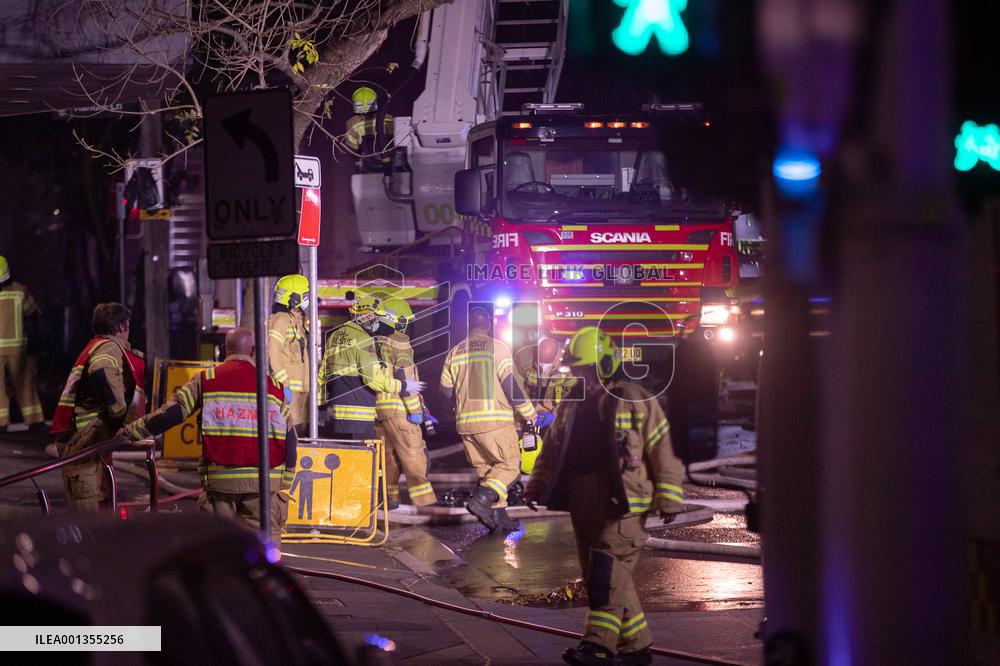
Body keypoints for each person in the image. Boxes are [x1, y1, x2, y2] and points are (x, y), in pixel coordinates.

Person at [524, 326, 684, 666]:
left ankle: (597, 647)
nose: (583, 378)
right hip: (582, 500)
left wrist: (669, 497)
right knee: (606, 576)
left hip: (623, 504)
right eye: (577, 371)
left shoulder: (634, 398)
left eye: (588, 370)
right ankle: (636, 645)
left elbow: (662, 448)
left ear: (606, 365)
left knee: (605, 576)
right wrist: (536, 484)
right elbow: (553, 446)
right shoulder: (573, 401)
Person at [122, 328, 296, 542]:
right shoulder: (274, 387)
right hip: (264, 485)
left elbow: (172, 414)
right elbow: (290, 439)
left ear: (224, 349)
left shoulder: (206, 380)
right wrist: (284, 482)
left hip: (221, 484)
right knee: (262, 550)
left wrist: (131, 432)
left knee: (216, 547)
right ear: (253, 350)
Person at [440, 307, 541, 532]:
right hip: (495, 422)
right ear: (488, 324)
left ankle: (499, 517)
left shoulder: (454, 352)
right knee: (509, 467)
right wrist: (529, 413)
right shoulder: (498, 347)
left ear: (469, 325)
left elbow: (445, 391)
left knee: (487, 471)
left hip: (466, 424)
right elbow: (510, 385)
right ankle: (482, 500)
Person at [51, 303, 146, 511]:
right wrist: (119, 411)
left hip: (89, 438)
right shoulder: (109, 347)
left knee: (101, 497)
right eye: (128, 327)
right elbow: (101, 370)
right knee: (86, 505)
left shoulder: (96, 345)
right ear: (121, 327)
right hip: (84, 440)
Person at [321, 294, 424, 440]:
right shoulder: (364, 340)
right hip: (361, 415)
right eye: (377, 317)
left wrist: (320, 405)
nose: (379, 322)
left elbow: (322, 374)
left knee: (348, 452)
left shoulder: (335, 336)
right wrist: (403, 386)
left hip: (339, 416)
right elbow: (373, 380)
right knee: (366, 454)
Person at [374, 298, 437, 508]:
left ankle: (389, 499)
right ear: (398, 320)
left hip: (380, 410)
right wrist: (415, 409)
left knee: (388, 458)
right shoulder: (399, 342)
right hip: (400, 409)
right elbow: (404, 376)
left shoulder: (375, 342)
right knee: (414, 455)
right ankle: (425, 502)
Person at [0, 255, 45, 431]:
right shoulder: (20, 291)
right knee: (25, 384)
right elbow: (33, 315)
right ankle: (34, 420)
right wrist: (37, 339)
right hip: (18, 348)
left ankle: (1, 423)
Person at [268, 274, 309, 430]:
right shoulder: (281, 320)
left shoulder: (296, 320)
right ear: (293, 298)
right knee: (292, 433)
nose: (308, 299)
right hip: (288, 391)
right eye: (305, 295)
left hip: (299, 393)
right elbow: (272, 353)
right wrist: (284, 384)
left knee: (300, 433)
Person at [345, 86, 395, 157]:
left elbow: (352, 145)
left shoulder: (352, 122)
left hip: (367, 158)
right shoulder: (387, 117)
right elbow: (397, 138)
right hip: (391, 155)